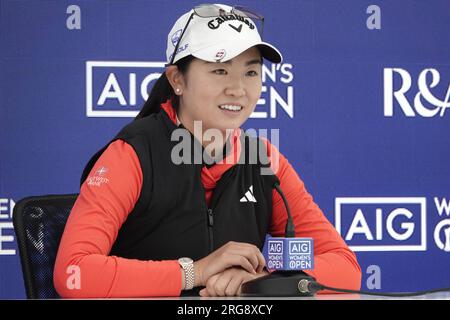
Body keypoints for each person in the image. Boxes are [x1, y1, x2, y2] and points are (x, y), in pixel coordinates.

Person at [54, 3, 361, 298]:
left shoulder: (264, 160)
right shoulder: (132, 155)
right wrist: (194, 273)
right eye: (219, 70)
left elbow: (346, 268)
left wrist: (261, 280)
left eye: (251, 73)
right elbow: (73, 272)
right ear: (177, 80)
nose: (238, 89)